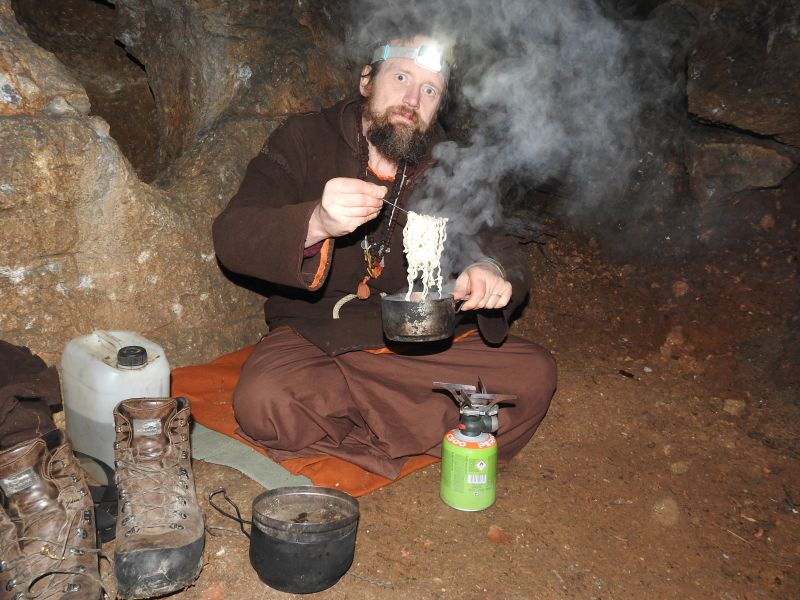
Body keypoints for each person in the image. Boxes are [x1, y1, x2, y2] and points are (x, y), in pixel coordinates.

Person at [212, 34, 556, 479]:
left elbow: (500, 249)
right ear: (366, 81)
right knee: (264, 400)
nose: (412, 99)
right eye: (400, 77)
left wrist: (489, 270)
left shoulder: (451, 166)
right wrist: (316, 221)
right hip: (322, 338)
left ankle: (358, 428)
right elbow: (233, 234)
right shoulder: (304, 138)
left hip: (424, 340)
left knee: (534, 375)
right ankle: (418, 426)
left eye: (430, 90)